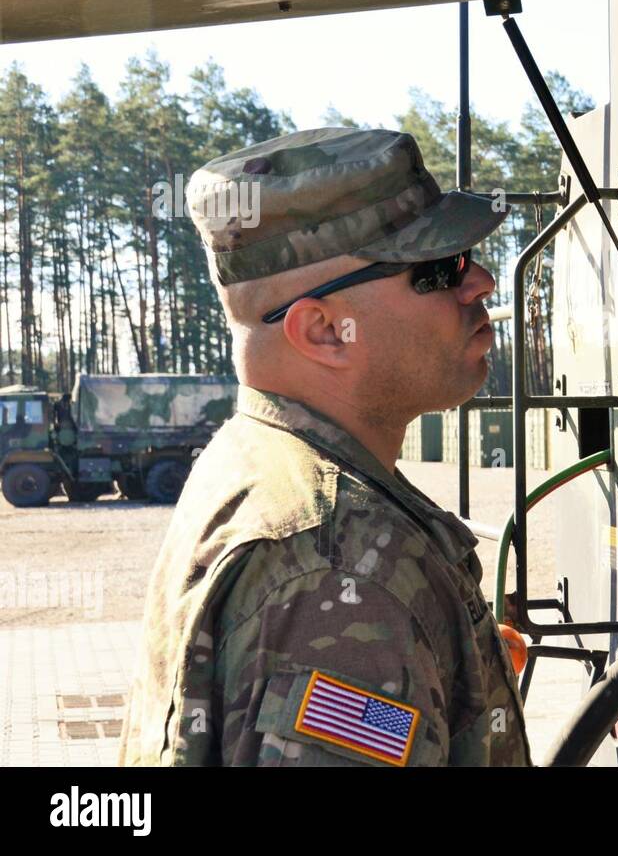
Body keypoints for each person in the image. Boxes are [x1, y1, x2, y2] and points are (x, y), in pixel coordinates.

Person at [119, 128, 530, 766]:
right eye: (439, 268)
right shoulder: (339, 570)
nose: (480, 281)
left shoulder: (256, 459)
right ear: (324, 331)